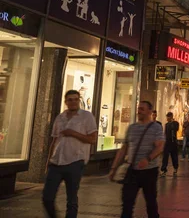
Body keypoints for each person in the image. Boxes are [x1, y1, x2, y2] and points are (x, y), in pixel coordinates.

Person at [43, 90, 97, 218]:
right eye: (70, 100)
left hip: (75, 162)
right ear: (66, 102)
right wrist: (48, 161)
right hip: (56, 162)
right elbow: (54, 140)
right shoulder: (60, 117)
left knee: (71, 199)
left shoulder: (87, 116)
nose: (73, 102)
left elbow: (92, 139)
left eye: (76, 99)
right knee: (47, 198)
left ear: (79, 101)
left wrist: (73, 133)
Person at [109, 101, 165, 218]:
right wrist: (114, 168)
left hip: (149, 171)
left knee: (150, 203)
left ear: (150, 111)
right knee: (127, 203)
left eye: (142, 109)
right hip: (132, 171)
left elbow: (160, 146)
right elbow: (124, 149)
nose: (139, 111)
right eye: (139, 109)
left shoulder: (156, 128)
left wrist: (148, 159)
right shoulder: (132, 128)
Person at [160, 112, 179, 177]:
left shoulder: (175, 123)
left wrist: (172, 123)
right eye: (167, 117)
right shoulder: (166, 125)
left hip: (173, 142)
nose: (167, 118)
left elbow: (176, 129)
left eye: (168, 117)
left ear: (171, 117)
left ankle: (175, 167)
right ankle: (163, 169)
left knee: (174, 156)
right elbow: (165, 133)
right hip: (167, 142)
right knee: (165, 157)